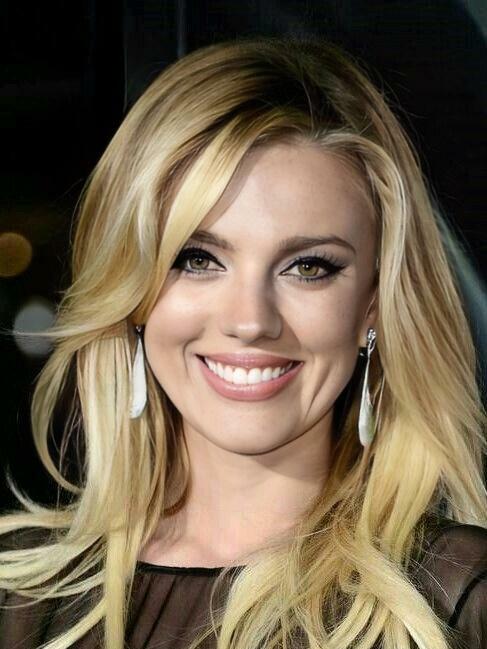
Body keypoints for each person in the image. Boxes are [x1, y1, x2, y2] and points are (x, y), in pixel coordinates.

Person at [0, 35, 486, 649]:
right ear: (133, 293)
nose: (251, 320)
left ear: (373, 305)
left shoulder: (456, 601)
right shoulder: (20, 597)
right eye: (198, 259)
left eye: (308, 266)